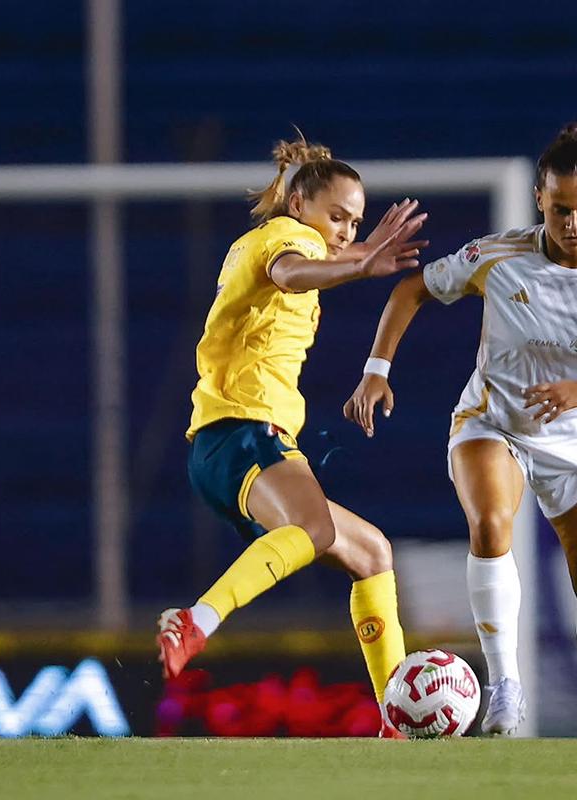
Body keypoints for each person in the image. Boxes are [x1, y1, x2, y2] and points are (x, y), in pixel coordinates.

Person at [344, 123, 577, 741]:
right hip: (492, 421)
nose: (573, 223)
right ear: (540, 199)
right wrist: (377, 370)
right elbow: (413, 289)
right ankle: (504, 688)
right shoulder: (497, 256)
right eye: (560, 209)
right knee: (490, 524)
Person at [155, 135, 427, 738]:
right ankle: (196, 621)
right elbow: (292, 273)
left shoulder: (276, 242)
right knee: (313, 529)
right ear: (300, 204)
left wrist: (353, 261)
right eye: (338, 217)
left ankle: (396, 721)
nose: (346, 232)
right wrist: (360, 262)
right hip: (244, 433)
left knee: (372, 553)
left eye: (355, 224)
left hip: (234, 442)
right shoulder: (288, 238)